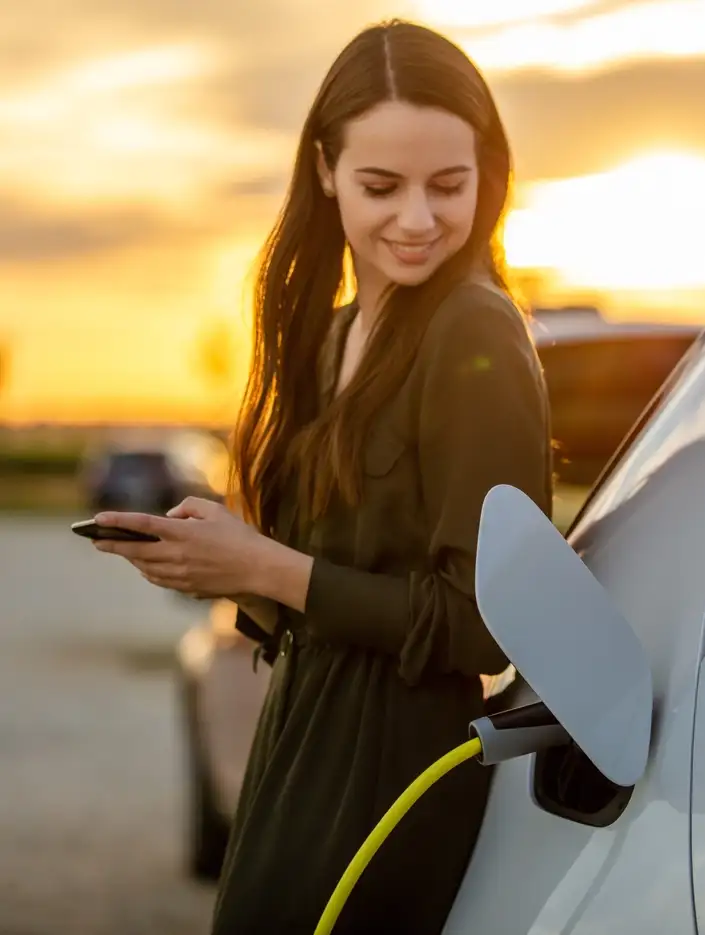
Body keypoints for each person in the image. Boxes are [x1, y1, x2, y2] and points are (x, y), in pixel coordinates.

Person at [93, 19, 553, 935]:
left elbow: (483, 626)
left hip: (396, 774)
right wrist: (217, 561)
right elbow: (318, 584)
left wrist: (263, 569)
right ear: (324, 171)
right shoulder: (328, 337)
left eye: (448, 186)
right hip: (297, 743)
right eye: (382, 186)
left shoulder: (474, 332)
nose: (418, 219)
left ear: (487, 178)